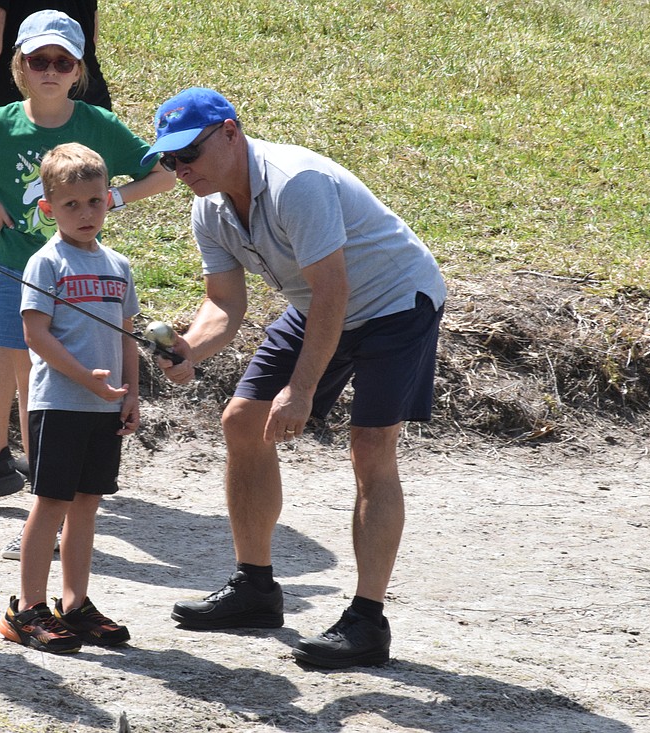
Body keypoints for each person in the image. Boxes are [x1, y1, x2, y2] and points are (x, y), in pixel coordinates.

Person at [143, 88, 446, 669]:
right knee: (242, 421)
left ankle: (366, 621)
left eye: (190, 154)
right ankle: (255, 589)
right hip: (321, 305)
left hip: (396, 301)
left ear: (231, 133)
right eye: (170, 160)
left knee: (371, 446)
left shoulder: (294, 183)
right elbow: (223, 305)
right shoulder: (208, 206)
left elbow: (336, 292)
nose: (181, 170)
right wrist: (189, 349)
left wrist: (302, 390)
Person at [0, 10, 172, 513]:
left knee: (60, 393)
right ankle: (43, 506)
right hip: (16, 276)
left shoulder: (100, 125)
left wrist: (112, 199)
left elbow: (163, 175)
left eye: (63, 61)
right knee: (31, 388)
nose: (50, 69)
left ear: (79, 70)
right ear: (19, 66)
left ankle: (59, 502)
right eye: (38, 59)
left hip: (80, 280)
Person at [0, 142, 140, 653]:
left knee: (87, 504)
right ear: (48, 208)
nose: (86, 213)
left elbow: (127, 336)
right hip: (59, 403)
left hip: (104, 403)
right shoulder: (45, 262)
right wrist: (85, 377)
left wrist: (130, 395)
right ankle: (27, 608)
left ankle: (75, 604)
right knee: (51, 502)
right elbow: (36, 336)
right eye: (72, 204)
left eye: (96, 201)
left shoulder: (118, 266)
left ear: (109, 201)